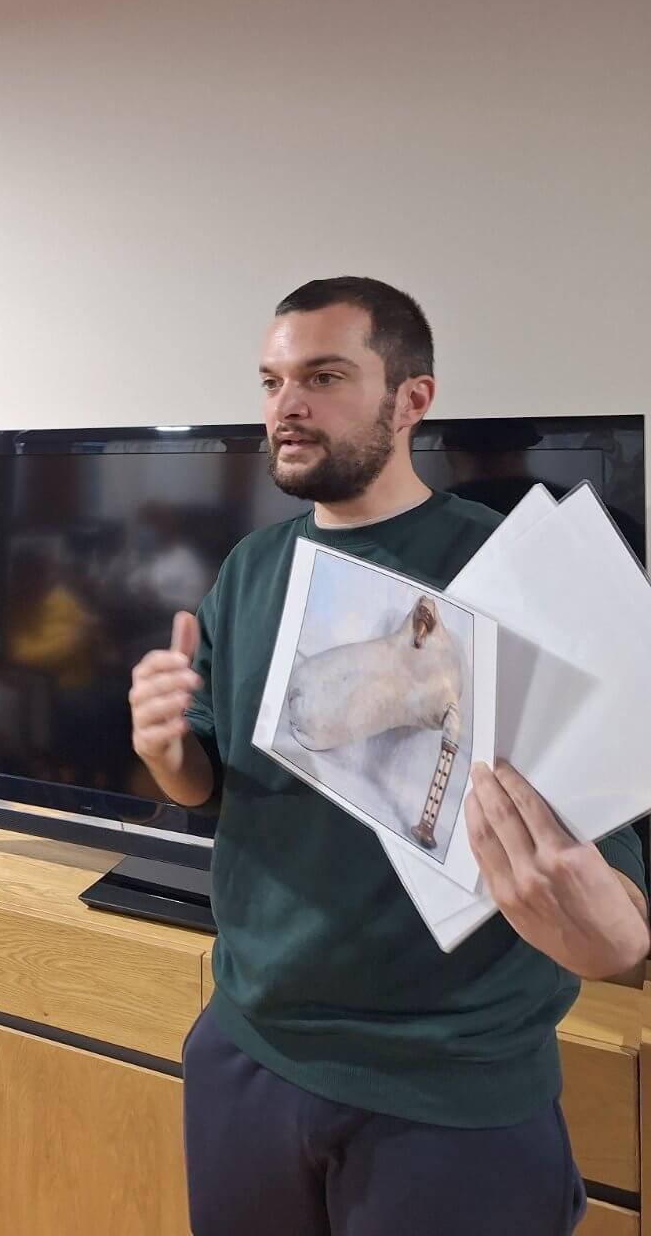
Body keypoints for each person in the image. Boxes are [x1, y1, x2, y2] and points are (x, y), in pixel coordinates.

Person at [127, 276, 650, 1236]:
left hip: (450, 1093)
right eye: (272, 381)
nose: (286, 405)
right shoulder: (254, 566)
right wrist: (165, 750)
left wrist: (615, 935)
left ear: (413, 399)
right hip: (247, 1049)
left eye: (324, 377)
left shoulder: (516, 576)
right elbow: (213, 782)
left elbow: (612, 881)